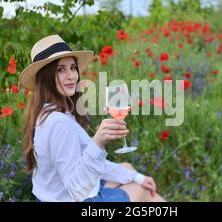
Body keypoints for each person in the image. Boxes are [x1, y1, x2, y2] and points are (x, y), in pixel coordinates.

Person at [19, 35, 165, 202]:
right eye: (60, 70)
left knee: (128, 170)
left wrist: (137, 176)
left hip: (54, 197)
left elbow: (81, 164)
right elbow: (75, 190)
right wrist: (98, 142)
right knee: (142, 191)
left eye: (73, 68)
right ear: (46, 77)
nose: (71, 76)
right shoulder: (58, 123)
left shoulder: (47, 112)